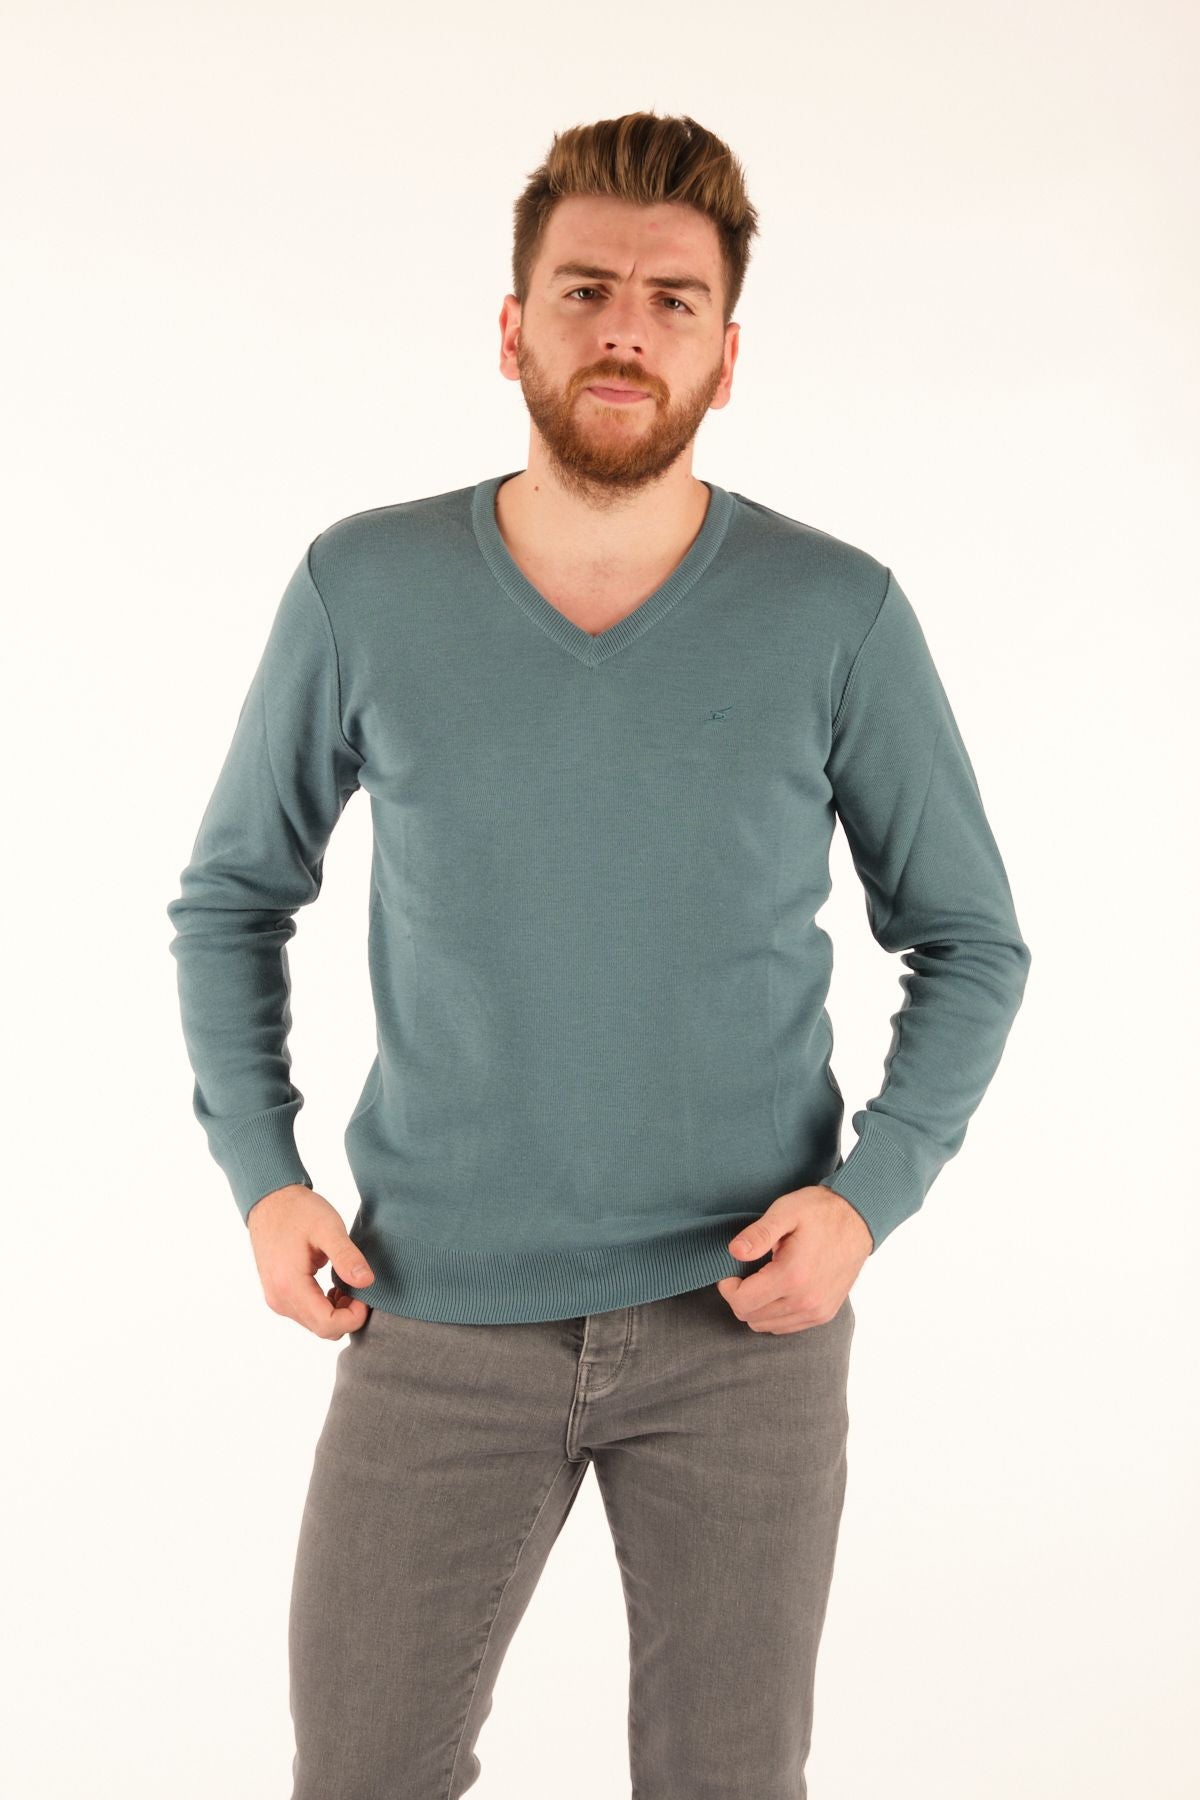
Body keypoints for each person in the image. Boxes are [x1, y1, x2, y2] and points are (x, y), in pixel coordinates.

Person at [166, 110, 1032, 1800]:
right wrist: (263, 1178)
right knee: (361, 1774)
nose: (625, 329)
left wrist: (869, 1201)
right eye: (584, 291)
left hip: (745, 1326)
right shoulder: (364, 587)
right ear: (512, 331)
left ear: (726, 356)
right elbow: (233, 895)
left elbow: (970, 937)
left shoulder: (837, 614)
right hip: (431, 1313)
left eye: (672, 300)